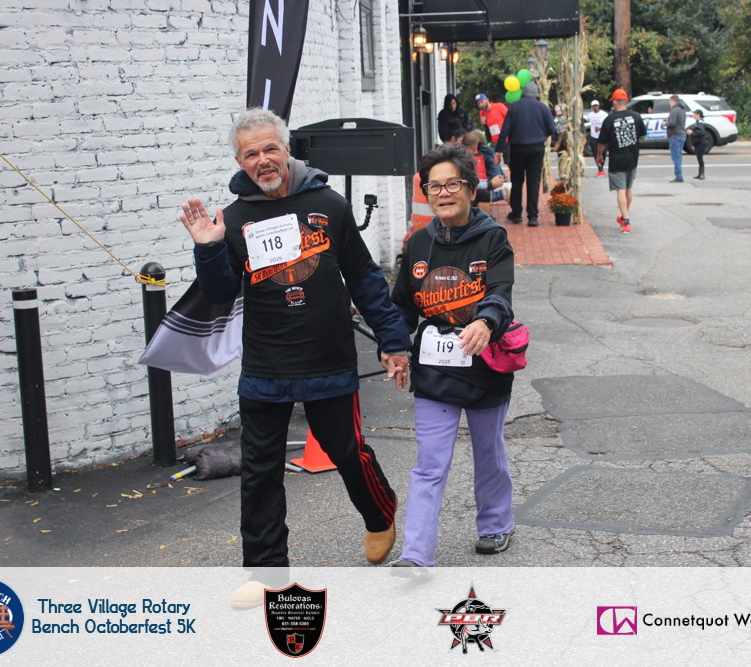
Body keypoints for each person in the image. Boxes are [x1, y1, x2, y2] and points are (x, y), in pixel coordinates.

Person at [177, 108, 412, 606]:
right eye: (251, 154)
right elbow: (219, 292)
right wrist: (207, 248)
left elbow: (365, 278)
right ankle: (266, 574)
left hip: (328, 358)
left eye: (270, 148)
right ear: (239, 162)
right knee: (260, 471)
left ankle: (379, 510)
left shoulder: (329, 204)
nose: (263, 160)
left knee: (346, 451)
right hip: (266, 366)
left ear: (287, 150)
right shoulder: (232, 219)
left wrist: (392, 340)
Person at [388, 144, 516, 574]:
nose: (443, 193)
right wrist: (394, 347)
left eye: (452, 184)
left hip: (484, 364)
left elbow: (500, 293)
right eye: (434, 186)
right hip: (435, 368)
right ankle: (416, 554)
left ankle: (496, 524)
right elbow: (402, 307)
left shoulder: (492, 238)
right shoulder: (418, 243)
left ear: (471, 189)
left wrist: (485, 321)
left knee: (488, 453)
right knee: (429, 463)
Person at [497, 81, 558, 227]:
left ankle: (517, 214)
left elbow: (505, 130)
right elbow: (552, 129)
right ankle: (532, 217)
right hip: (536, 148)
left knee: (517, 181)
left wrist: (498, 150)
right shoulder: (542, 108)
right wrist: (541, 135)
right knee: (533, 182)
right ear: (536, 94)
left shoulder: (514, 107)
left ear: (523, 93)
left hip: (517, 148)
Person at [597, 88, 647, 234]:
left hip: (616, 159)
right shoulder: (636, 116)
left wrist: (599, 156)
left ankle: (626, 222)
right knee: (628, 188)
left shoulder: (609, 120)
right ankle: (624, 216)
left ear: (614, 101)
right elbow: (644, 137)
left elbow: (602, 142)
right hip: (632, 158)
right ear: (625, 101)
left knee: (620, 189)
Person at [461, 131, 505, 214]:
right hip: (462, 191)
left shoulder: (462, 156)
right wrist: (490, 184)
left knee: (482, 192)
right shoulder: (467, 160)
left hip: (462, 189)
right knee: (484, 193)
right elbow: (471, 183)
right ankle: (482, 220)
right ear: (475, 146)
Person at [475, 93, 509, 165]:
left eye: (481, 102)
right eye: (478, 103)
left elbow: (510, 118)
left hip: (506, 139)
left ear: (487, 100)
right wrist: (483, 123)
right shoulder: (482, 113)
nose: (481, 105)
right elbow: (486, 129)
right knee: (493, 162)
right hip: (494, 141)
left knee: (509, 162)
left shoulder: (499, 106)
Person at [666, 94, 686, 183]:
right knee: (679, 156)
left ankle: (679, 175)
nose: (669, 103)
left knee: (675, 157)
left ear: (673, 101)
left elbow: (672, 123)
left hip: (675, 135)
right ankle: (679, 174)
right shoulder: (682, 110)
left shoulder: (674, 110)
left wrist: (665, 123)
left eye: (670, 101)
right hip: (681, 134)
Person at [586, 100, 608, 176]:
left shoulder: (604, 114)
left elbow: (607, 125)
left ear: (598, 106)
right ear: (592, 107)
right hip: (593, 136)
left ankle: (602, 167)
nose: (595, 107)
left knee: (603, 152)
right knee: (595, 153)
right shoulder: (590, 115)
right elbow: (586, 121)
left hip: (602, 136)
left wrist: (600, 128)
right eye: (593, 106)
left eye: (596, 105)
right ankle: (600, 169)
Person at [687, 110, 710, 180]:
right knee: (698, 157)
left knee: (700, 158)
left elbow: (701, 132)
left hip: (701, 143)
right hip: (698, 142)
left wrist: (692, 132)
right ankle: (700, 174)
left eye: (694, 113)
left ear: (698, 114)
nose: (693, 115)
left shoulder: (700, 123)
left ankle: (702, 174)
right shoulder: (698, 122)